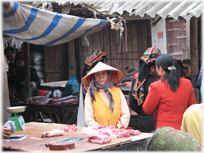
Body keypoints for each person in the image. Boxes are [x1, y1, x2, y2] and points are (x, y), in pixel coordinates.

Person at [143, 54, 196, 130]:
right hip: (184, 130)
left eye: (156, 68)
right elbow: (192, 108)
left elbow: (147, 109)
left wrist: (149, 92)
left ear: (160, 69)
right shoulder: (187, 83)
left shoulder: (156, 86)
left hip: (165, 133)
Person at [82, 62, 130, 128]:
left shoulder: (117, 91)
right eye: (97, 74)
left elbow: (125, 114)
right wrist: (102, 131)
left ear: (108, 75)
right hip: (99, 134)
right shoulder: (90, 94)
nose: (101, 77)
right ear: (94, 77)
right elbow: (89, 119)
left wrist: (120, 128)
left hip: (117, 133)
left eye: (103, 74)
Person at [129, 47, 161, 132]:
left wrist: (143, 113)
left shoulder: (137, 82)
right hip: (158, 122)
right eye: (159, 67)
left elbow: (132, 104)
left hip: (144, 122)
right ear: (152, 68)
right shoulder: (158, 83)